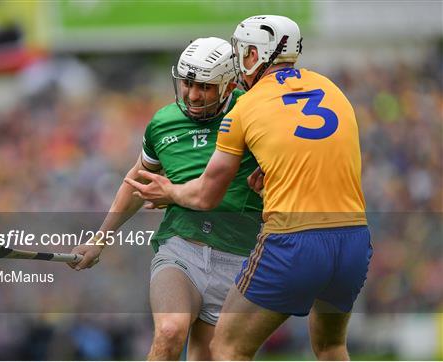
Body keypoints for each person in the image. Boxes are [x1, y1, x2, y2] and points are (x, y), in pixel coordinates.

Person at [126, 15, 373, 361]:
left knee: (227, 347)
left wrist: (169, 192)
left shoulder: (247, 105)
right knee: (331, 347)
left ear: (255, 55)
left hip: (295, 238)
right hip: (353, 240)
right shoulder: (332, 89)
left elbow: (205, 195)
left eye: (243, 51)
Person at [68, 37, 262, 360]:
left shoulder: (253, 112)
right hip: (181, 249)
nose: (192, 94)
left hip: (238, 258)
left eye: (205, 87)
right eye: (187, 83)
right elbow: (137, 181)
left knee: (209, 355)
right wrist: (99, 239)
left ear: (229, 86)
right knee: (170, 330)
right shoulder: (163, 123)